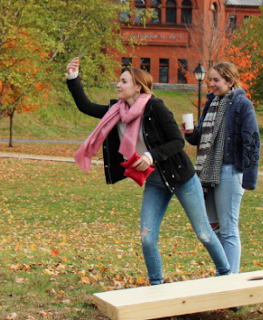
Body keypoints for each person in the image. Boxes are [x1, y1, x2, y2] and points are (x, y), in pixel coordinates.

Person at [66, 57, 230, 285]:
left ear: (138, 87)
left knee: (203, 233)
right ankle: (156, 285)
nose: (118, 85)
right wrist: (73, 77)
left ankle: (226, 275)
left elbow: (177, 142)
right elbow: (85, 106)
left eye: (123, 81)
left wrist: (150, 156)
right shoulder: (117, 112)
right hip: (154, 181)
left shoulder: (156, 107)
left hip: (181, 177)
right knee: (147, 238)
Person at [181, 61, 260, 275]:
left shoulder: (242, 104)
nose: (212, 84)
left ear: (230, 81)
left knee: (228, 229)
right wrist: (190, 133)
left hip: (229, 172)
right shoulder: (210, 104)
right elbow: (201, 139)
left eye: (216, 80)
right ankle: (224, 273)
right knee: (213, 228)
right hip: (207, 171)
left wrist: (250, 178)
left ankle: (229, 283)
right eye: (211, 80)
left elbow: (252, 140)